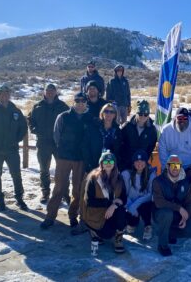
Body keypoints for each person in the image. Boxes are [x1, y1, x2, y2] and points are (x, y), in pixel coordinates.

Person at [40, 92, 91, 230]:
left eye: (83, 101)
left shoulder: (89, 118)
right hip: (64, 157)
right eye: (78, 100)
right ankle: (50, 216)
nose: (80, 103)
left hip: (80, 159)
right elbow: (56, 135)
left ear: (86, 103)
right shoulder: (63, 116)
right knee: (59, 187)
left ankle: (73, 216)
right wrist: (63, 149)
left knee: (78, 190)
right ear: (74, 102)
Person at [0, 84, 28, 211]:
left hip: (11, 149)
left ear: (10, 94)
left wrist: (15, 140)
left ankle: (19, 198)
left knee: (16, 174)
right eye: (1, 93)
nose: (4, 95)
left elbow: (23, 128)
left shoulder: (16, 111)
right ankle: (0, 200)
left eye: (7, 92)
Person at [28, 83, 69, 203]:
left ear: (56, 92)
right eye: (48, 90)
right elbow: (30, 120)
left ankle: (64, 193)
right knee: (44, 170)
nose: (50, 92)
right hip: (43, 143)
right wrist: (34, 130)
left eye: (52, 90)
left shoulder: (63, 106)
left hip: (59, 144)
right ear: (44, 92)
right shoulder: (37, 106)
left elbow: (69, 122)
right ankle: (45, 193)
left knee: (62, 170)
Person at [80, 151, 127, 254]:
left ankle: (118, 239)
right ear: (101, 163)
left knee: (122, 211)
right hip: (96, 213)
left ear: (114, 163)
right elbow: (89, 201)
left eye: (111, 161)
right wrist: (109, 203)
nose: (108, 163)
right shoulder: (93, 178)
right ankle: (94, 231)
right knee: (107, 234)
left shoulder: (119, 178)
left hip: (111, 212)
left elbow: (123, 197)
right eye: (105, 161)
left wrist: (114, 205)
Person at [153, 155, 191, 256]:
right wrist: (179, 208)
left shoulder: (185, 181)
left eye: (178, 166)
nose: (175, 168)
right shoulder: (158, 181)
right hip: (161, 213)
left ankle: (171, 233)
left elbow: (189, 201)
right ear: (167, 166)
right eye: (172, 165)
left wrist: (185, 216)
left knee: (188, 228)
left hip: (177, 213)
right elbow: (159, 202)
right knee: (167, 214)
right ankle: (162, 245)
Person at [158, 107, 191, 179]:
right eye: (179, 118)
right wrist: (167, 170)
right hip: (172, 168)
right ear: (175, 118)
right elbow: (162, 153)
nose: (182, 121)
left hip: (190, 168)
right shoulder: (166, 130)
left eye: (185, 118)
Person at [122, 150, 156, 240]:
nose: (139, 163)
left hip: (143, 203)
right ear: (133, 163)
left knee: (147, 206)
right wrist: (130, 206)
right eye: (137, 161)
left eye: (142, 161)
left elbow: (150, 194)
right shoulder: (126, 174)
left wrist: (135, 205)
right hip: (130, 203)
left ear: (146, 162)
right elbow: (124, 194)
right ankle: (131, 223)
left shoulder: (151, 174)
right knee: (130, 222)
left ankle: (148, 226)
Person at [82, 103, 122, 173]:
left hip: (111, 166)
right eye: (106, 111)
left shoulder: (117, 131)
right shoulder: (93, 127)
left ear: (115, 115)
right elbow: (85, 146)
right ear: (102, 113)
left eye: (111, 112)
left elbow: (119, 150)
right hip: (94, 165)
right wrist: (89, 164)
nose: (108, 114)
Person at [119, 100, 157, 171]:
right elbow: (120, 145)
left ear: (148, 115)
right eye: (140, 113)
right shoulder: (127, 127)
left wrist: (143, 160)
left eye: (146, 114)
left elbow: (150, 148)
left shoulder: (152, 130)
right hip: (126, 165)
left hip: (141, 165)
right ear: (136, 113)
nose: (143, 116)